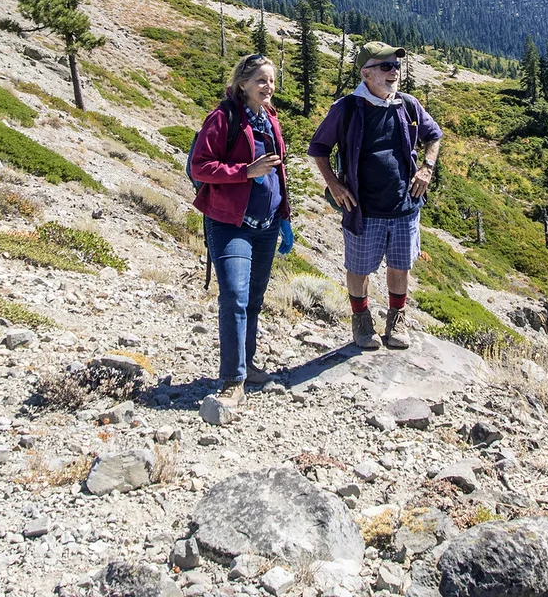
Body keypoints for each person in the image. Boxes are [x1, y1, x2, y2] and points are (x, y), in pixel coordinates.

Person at [308, 42, 443, 350]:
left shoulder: (407, 104)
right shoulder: (347, 108)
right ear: (366, 73)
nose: (394, 72)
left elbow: (434, 135)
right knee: (358, 268)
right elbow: (318, 148)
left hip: (404, 206)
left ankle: (397, 319)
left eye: (396, 66)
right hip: (363, 209)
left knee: (400, 266)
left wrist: (427, 168)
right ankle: (361, 319)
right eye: (386, 67)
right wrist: (333, 184)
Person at [190, 53, 291, 406]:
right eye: (261, 80)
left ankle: (247, 364)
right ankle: (232, 380)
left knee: (254, 299)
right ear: (243, 83)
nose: (268, 86)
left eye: (272, 80)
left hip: (267, 225)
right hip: (230, 223)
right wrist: (245, 171)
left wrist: (285, 215)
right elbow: (200, 166)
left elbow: (279, 172)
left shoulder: (270, 119)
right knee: (234, 295)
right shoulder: (223, 118)